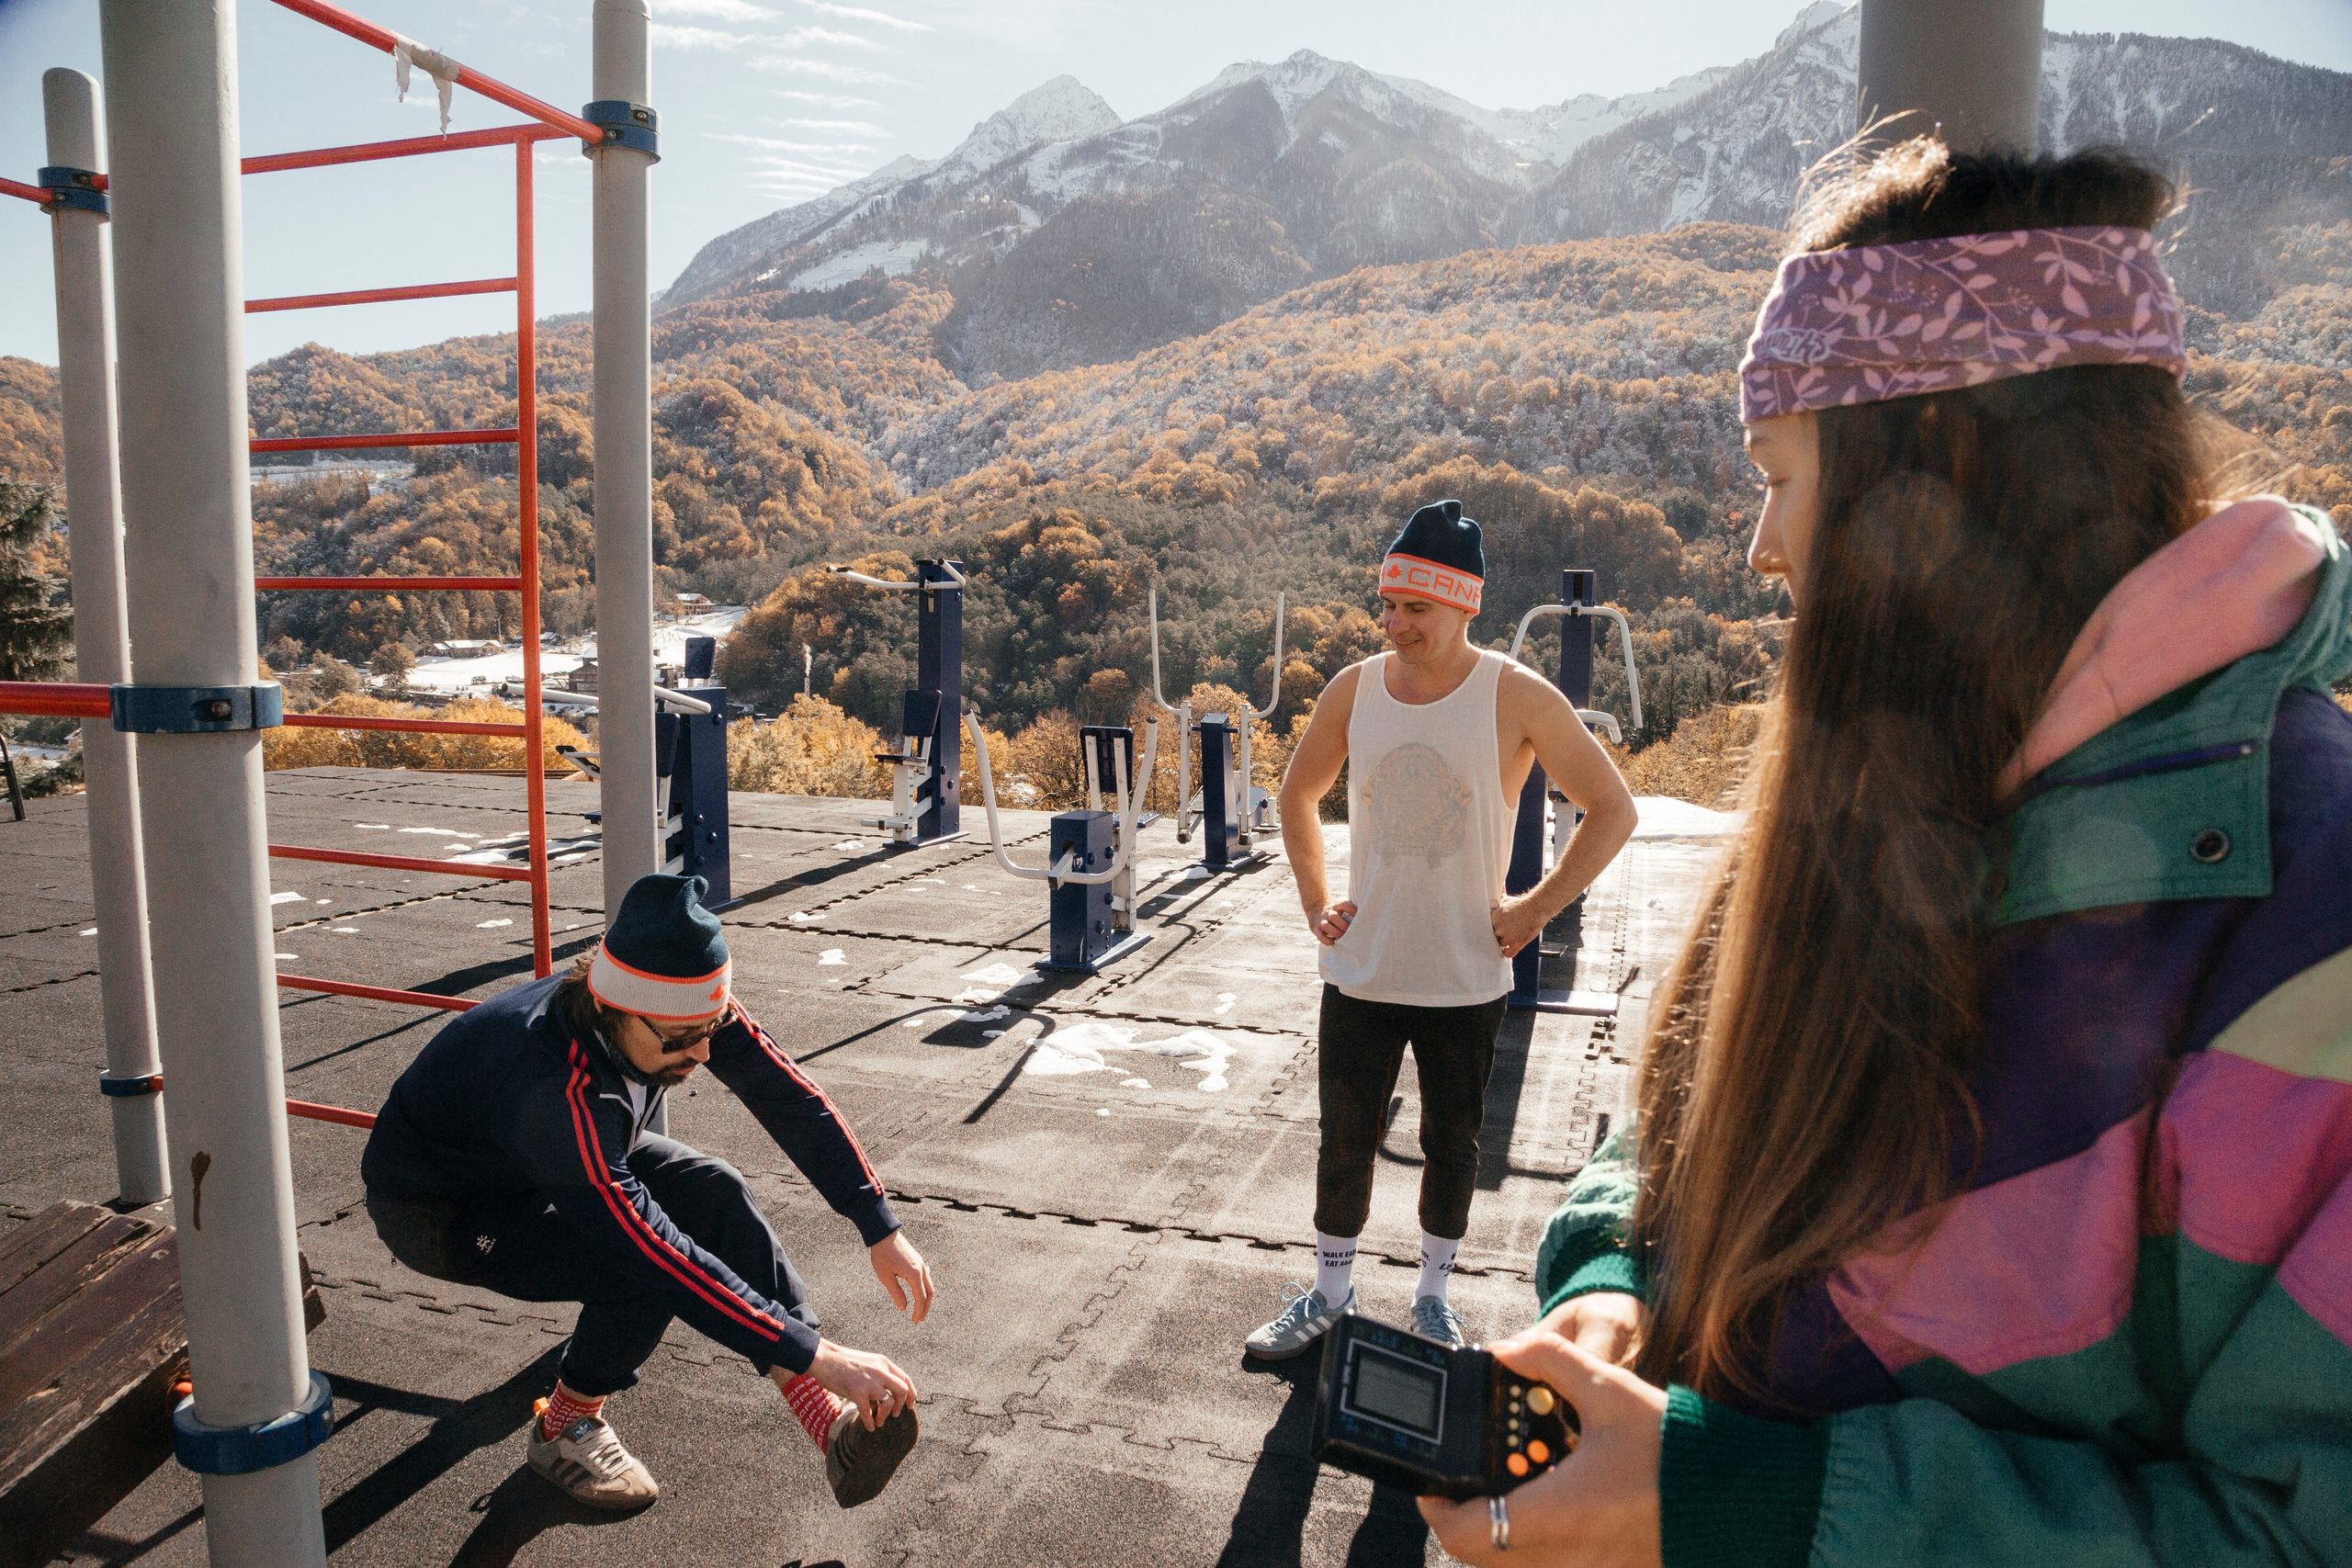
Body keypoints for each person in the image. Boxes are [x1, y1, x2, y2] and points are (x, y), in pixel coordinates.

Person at [1418, 139, 2352, 1566]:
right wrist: (1622, 1280)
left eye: (1784, 475)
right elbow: (1681, 1121)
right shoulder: (1888, 789)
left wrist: (1741, 1503)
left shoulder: (2309, 912)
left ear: (1949, 471)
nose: (1760, 548)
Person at [360, 873, 935, 1512]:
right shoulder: (557, 1087)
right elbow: (652, 1250)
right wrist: (819, 1353)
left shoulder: (677, 1010)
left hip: (535, 1162)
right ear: (613, 1009)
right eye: (682, 1040)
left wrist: (877, 1222)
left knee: (712, 1188)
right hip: (446, 1211)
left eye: (711, 1026)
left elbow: (785, 1095)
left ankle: (824, 1421)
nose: (704, 1050)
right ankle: (563, 1427)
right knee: (635, 1266)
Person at [1243, 499, 1638, 1359]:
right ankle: (1330, 1293)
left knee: (1451, 1146)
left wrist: (1533, 909)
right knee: (1341, 1139)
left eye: (1414, 608)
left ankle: (1431, 1299)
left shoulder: (1517, 695)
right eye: (1387, 604)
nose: (1394, 623)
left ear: (1465, 606)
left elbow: (1613, 809)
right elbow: (1297, 794)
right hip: (1363, 969)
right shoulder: (1355, 687)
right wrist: (1318, 901)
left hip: (1466, 976)